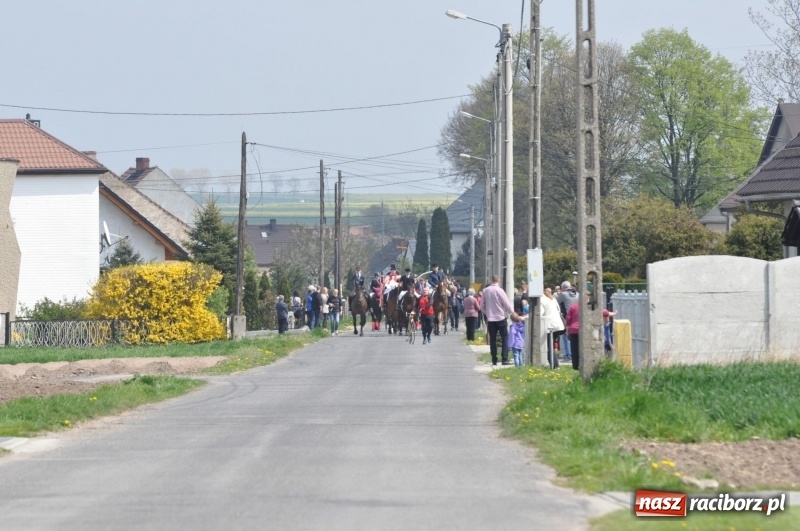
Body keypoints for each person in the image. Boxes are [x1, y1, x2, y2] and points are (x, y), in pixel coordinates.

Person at [480, 275, 523, 367]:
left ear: (491, 280)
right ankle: (504, 358)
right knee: (504, 338)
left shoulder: (485, 291)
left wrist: (487, 313)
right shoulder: (500, 291)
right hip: (500, 317)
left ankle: (494, 359)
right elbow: (506, 303)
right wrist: (512, 312)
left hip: (491, 318)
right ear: (498, 280)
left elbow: (481, 306)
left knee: (493, 339)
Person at [565, 291, 590, 371]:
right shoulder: (588, 307)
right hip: (585, 330)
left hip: (574, 330)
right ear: (588, 299)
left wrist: (568, 333)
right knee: (585, 348)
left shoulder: (573, 307)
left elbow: (568, 321)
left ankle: (576, 366)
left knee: (574, 349)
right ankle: (585, 364)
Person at [541, 287, 565, 369]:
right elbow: (558, 310)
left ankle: (554, 364)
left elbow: (540, 314)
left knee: (549, 346)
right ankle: (554, 364)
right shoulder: (553, 299)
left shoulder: (542, 300)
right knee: (552, 345)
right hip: (558, 325)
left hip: (550, 325)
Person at [557, 281, 579, 360]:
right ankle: (574, 354)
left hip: (566, 318)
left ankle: (568, 355)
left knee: (566, 336)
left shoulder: (563, 294)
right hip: (577, 318)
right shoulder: (578, 294)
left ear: (563, 288)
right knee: (575, 338)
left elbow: (556, 303)